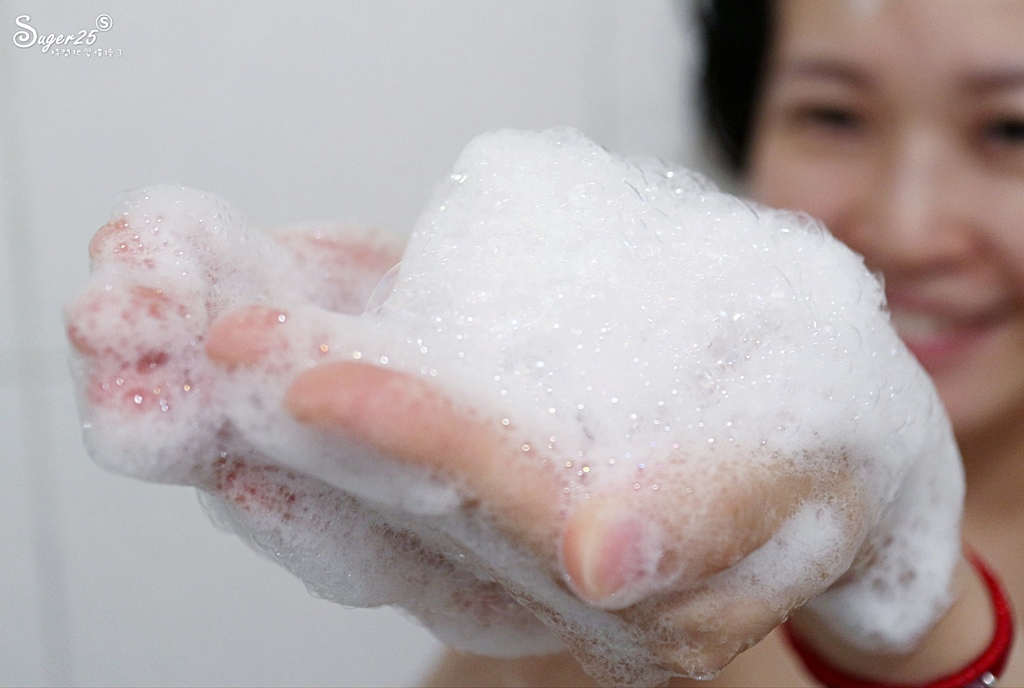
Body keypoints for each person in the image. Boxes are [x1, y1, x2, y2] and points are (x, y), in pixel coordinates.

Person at [68, 1, 1024, 686]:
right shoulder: (605, 550)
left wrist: (908, 607)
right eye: (833, 113)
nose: (910, 227)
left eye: (1011, 128)